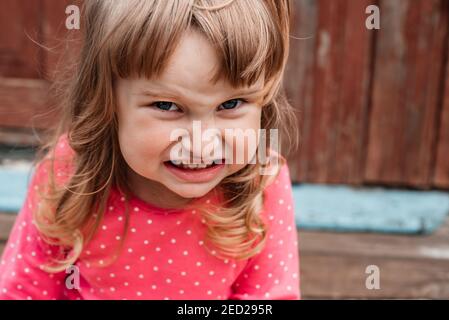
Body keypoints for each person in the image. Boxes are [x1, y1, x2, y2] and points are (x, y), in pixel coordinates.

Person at [0, 0, 300, 300]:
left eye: (231, 105)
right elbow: (23, 292)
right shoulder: (71, 169)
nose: (201, 143)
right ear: (107, 103)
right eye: (167, 106)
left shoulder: (263, 179)